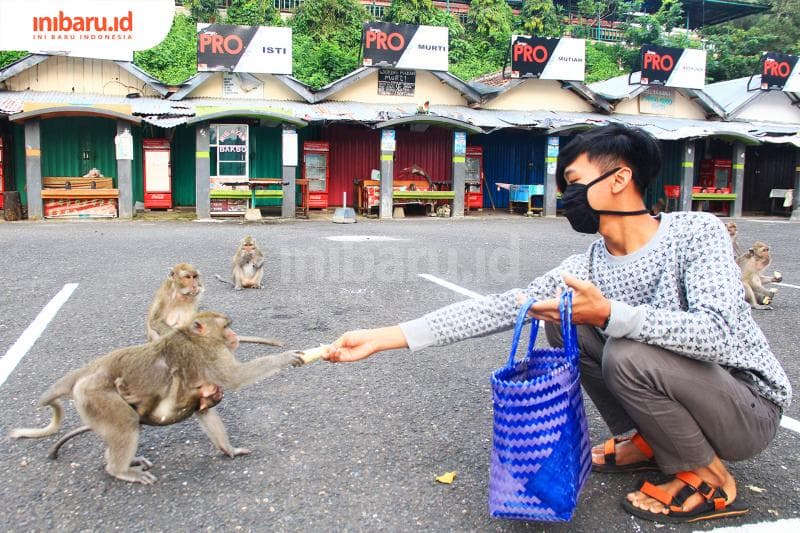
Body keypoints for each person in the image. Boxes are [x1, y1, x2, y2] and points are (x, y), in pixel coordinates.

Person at [323, 124, 791, 524]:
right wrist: (385, 338)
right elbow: (507, 306)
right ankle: (646, 439)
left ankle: (710, 478)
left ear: (619, 178)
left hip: (746, 407)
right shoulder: (589, 262)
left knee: (625, 351)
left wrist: (610, 314)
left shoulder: (696, 232)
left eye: (573, 181)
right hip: (685, 389)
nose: (564, 195)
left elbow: (716, 335)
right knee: (565, 323)